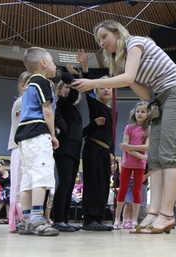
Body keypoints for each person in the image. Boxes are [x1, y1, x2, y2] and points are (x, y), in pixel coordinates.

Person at [73, 20, 176, 234]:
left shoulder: (135, 43)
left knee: (168, 154)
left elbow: (128, 77)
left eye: (104, 37)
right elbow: (146, 94)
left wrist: (94, 83)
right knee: (155, 159)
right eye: (98, 40)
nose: (101, 43)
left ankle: (167, 214)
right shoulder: (129, 62)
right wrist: (128, 81)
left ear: (117, 33)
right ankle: (154, 212)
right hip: (159, 100)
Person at [14, 46, 59, 236]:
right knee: (42, 174)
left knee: (28, 177)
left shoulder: (29, 86)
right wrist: (53, 135)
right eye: (52, 61)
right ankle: (37, 219)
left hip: (23, 135)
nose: (55, 65)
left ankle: (24, 220)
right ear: (43, 63)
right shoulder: (42, 81)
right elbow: (47, 109)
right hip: (37, 132)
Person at [51, 61, 86, 233]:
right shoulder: (61, 104)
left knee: (70, 184)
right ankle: (58, 220)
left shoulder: (73, 110)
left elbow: (78, 131)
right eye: (65, 87)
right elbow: (72, 95)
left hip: (74, 148)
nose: (68, 89)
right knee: (64, 183)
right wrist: (72, 76)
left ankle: (64, 220)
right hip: (64, 148)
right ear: (59, 91)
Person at [80, 76, 115, 231]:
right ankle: (89, 220)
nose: (106, 89)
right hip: (93, 148)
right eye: (102, 88)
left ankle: (99, 218)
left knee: (103, 185)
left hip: (105, 151)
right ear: (97, 91)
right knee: (93, 184)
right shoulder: (95, 105)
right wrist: (86, 70)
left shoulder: (112, 111)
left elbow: (111, 134)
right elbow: (88, 92)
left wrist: (112, 153)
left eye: (109, 87)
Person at [113, 101, 150, 230]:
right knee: (122, 190)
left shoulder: (148, 129)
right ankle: (117, 219)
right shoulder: (129, 127)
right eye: (138, 111)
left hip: (140, 165)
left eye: (143, 112)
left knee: (137, 191)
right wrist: (140, 155)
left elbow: (146, 146)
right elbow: (124, 147)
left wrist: (128, 147)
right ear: (134, 113)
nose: (140, 114)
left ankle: (134, 219)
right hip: (127, 163)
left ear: (147, 114)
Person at [7, 70, 31, 232]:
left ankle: (25, 218)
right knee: (18, 184)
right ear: (23, 86)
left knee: (26, 184)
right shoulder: (22, 102)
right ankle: (17, 220)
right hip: (19, 147)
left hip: (28, 148)